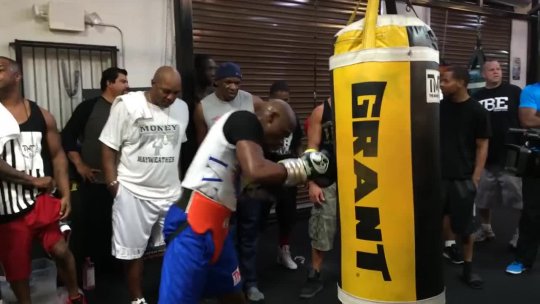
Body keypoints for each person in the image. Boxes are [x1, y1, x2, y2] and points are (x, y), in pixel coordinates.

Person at [158, 99, 330, 304]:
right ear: (270, 116)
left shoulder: (243, 143)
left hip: (218, 229)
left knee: (233, 295)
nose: (281, 142)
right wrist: (302, 168)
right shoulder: (245, 119)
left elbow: (246, 187)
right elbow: (256, 170)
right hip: (192, 226)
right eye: (283, 134)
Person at [99, 66, 189, 304]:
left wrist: (178, 185)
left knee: (180, 246)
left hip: (170, 192)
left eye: (176, 93)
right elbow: (109, 146)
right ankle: (137, 299)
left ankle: (175, 293)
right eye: (166, 91)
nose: (170, 97)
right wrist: (113, 184)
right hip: (133, 192)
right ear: (152, 83)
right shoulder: (127, 105)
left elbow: (176, 150)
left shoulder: (182, 108)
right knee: (132, 252)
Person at [0, 56, 85, 304]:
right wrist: (31, 180)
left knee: (61, 250)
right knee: (17, 267)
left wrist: (66, 192)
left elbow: (58, 156)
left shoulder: (41, 115)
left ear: (17, 76)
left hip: (40, 202)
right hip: (7, 207)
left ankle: (74, 294)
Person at [193, 62, 266, 301]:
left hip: (248, 177)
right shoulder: (203, 107)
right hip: (221, 180)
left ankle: (251, 283)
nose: (233, 87)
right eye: (228, 83)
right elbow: (202, 148)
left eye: (237, 83)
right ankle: (227, 285)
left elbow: (267, 124)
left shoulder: (250, 100)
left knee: (249, 232)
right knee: (225, 235)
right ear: (217, 82)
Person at [61, 67, 129, 274]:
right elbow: (67, 136)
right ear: (109, 83)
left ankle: (117, 271)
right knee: (93, 228)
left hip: (124, 182)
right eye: (123, 81)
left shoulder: (128, 108)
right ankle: (91, 274)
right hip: (96, 182)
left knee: (119, 228)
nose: (127, 85)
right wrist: (79, 164)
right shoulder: (89, 107)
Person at [440, 66, 491, 289]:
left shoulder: (477, 111)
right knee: (435, 219)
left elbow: (482, 145)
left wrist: (476, 177)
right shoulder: (439, 108)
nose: (441, 84)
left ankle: (468, 270)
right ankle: (439, 256)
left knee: (466, 228)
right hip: (438, 176)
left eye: (446, 81)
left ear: (461, 82)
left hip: (463, 177)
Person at [472, 60, 522, 248]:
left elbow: (523, 117)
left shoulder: (514, 91)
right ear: (483, 74)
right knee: (483, 197)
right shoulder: (477, 97)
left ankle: (519, 233)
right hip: (486, 156)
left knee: (518, 200)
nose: (496, 72)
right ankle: (486, 229)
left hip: (510, 154)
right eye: (491, 70)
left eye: (499, 69)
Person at [261, 80, 303, 270]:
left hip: (288, 174)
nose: (285, 104)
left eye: (287, 100)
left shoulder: (292, 118)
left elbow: (298, 144)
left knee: (287, 215)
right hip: (267, 173)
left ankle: (284, 250)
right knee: (258, 216)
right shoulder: (263, 120)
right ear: (271, 101)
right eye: (281, 101)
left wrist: (303, 168)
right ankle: (252, 258)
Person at [299, 97, 338, 299]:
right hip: (327, 178)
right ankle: (314, 273)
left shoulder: (361, 104)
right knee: (322, 225)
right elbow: (311, 149)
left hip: (359, 178)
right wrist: (312, 183)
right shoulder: (321, 111)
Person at [505, 81, 540, 275]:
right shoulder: (532, 90)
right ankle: (523, 259)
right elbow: (527, 120)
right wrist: (534, 118)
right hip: (537, 159)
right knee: (532, 213)